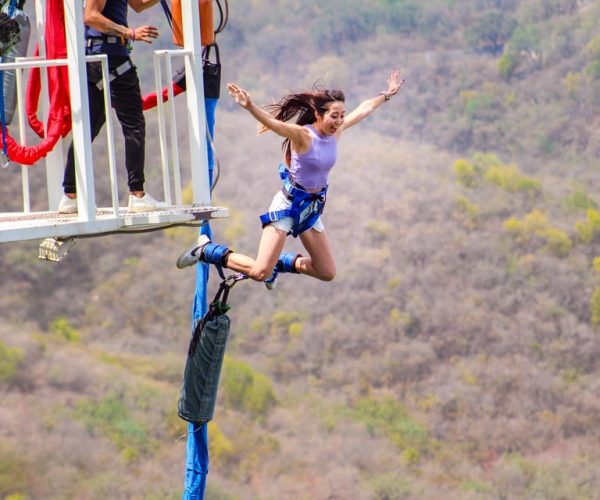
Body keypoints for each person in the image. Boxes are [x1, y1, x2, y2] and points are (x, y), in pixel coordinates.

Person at [176, 69, 404, 289]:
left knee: (326, 272)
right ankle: (206, 251)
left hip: (311, 209)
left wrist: (386, 95)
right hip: (289, 205)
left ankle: (281, 263)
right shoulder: (303, 135)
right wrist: (250, 106)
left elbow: (363, 109)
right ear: (318, 115)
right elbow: (275, 125)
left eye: (342, 116)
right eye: (334, 116)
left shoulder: (337, 131)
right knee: (259, 273)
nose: (339, 121)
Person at [58, 0, 166, 214]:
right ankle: (137, 194)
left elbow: (138, 4)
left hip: (97, 58)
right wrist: (129, 31)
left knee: (89, 126)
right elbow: (90, 16)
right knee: (134, 123)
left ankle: (70, 195)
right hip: (110, 57)